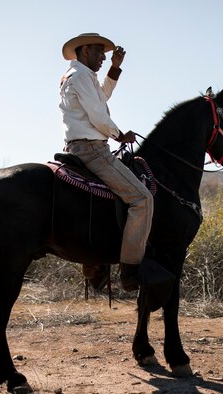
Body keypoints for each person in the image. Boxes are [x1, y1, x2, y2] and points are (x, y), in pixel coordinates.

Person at [59, 33, 153, 291]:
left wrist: (115, 68)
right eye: (101, 52)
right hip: (93, 151)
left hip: (77, 147)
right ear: (85, 49)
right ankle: (131, 272)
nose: (104, 57)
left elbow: (101, 98)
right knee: (142, 199)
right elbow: (98, 114)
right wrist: (119, 134)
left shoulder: (76, 76)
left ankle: (95, 260)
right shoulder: (80, 77)